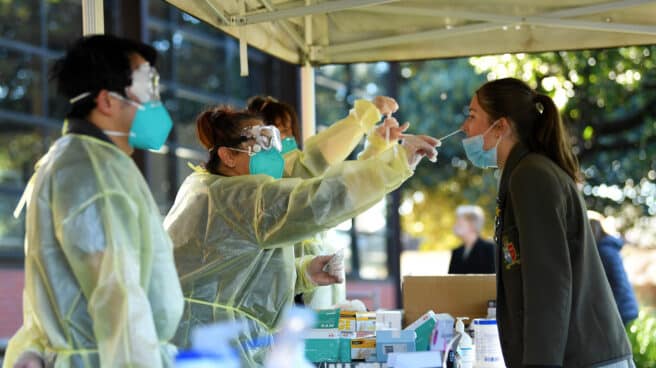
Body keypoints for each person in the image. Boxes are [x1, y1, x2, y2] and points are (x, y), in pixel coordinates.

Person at [164, 103, 438, 366]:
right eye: (259, 146)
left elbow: (228, 274)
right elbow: (321, 199)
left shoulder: (205, 188)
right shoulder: (240, 197)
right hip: (214, 345)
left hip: (200, 340)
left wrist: (303, 273)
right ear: (228, 155)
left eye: (273, 144)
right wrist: (397, 161)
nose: (272, 156)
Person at [3, 35, 184, 368]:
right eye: (147, 86)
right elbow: (118, 297)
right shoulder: (95, 172)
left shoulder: (81, 159)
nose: (155, 100)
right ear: (107, 101)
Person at [460, 77, 633, 368]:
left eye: (472, 115)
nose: (465, 127)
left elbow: (548, 286)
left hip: (582, 358)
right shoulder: (526, 172)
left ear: (501, 126)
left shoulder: (532, 176)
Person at [246, 95, 407, 308]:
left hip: (313, 282)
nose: (285, 139)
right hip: (291, 290)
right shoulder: (271, 174)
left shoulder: (290, 171)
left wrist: (377, 146)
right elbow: (316, 163)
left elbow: (342, 184)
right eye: (277, 130)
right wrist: (366, 115)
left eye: (287, 131)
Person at [588, 211, 639, 325]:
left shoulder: (604, 250)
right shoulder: (605, 249)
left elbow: (618, 282)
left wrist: (609, 311)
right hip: (622, 307)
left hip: (622, 309)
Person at [448, 205, 496, 274]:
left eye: (459, 223)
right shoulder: (456, 252)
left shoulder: (490, 248)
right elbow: (451, 280)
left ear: (472, 224)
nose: (455, 225)